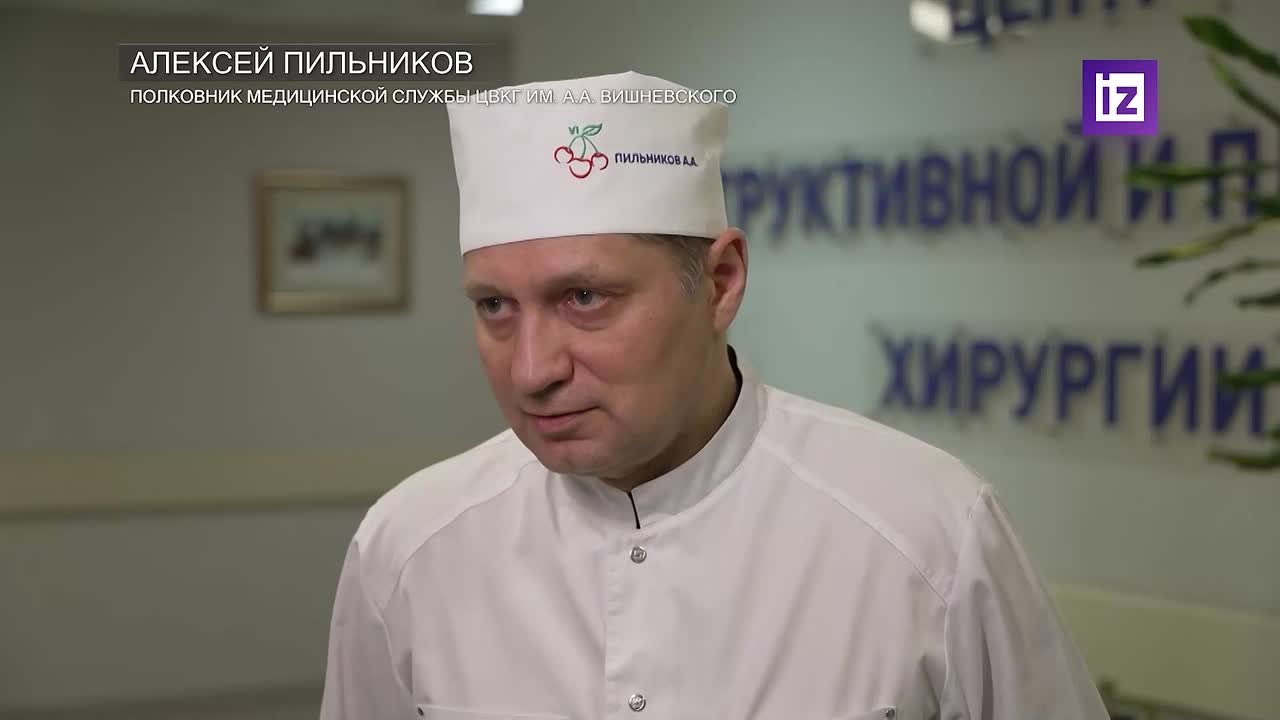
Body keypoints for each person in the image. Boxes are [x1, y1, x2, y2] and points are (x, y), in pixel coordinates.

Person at [318, 71, 1110, 720]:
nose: (531, 370)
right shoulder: (410, 548)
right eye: (494, 306)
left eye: (585, 298)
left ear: (721, 283)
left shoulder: (926, 532)